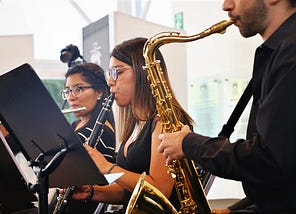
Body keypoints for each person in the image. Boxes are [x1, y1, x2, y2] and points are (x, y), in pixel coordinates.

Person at [157, 0, 296, 213]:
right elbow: (283, 184)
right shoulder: (279, 51)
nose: (226, 6)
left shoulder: (291, 52)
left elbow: (270, 161)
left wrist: (189, 144)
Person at [69, 37, 195, 212]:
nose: (110, 81)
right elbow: (126, 191)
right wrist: (91, 192)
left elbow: (160, 190)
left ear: (143, 72)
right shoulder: (137, 124)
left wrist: (107, 167)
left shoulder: (165, 122)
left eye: (117, 72)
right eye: (110, 73)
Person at [52, 62, 116, 214]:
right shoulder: (75, 125)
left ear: (99, 92)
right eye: (68, 91)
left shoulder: (101, 131)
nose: (71, 97)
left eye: (78, 89)